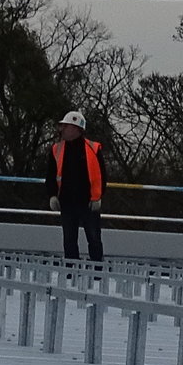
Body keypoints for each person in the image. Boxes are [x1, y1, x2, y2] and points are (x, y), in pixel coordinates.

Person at [45, 109, 105, 263]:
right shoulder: (57, 149)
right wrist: (52, 195)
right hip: (67, 202)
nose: (62, 129)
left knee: (94, 239)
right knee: (69, 240)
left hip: (88, 202)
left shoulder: (93, 148)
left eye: (66, 126)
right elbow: (51, 176)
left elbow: (101, 176)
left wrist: (97, 197)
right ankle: (71, 274)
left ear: (77, 129)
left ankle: (97, 273)